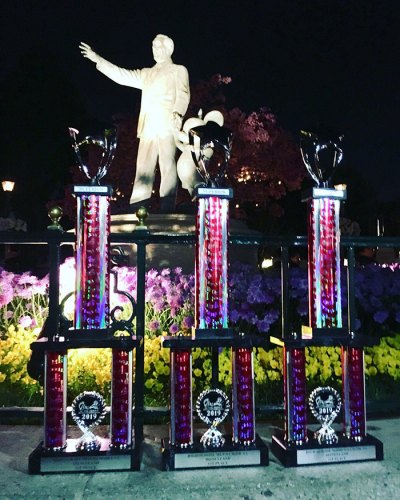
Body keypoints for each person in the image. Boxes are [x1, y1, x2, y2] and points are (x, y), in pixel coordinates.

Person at [79, 35, 190, 212]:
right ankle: (138, 206)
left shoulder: (178, 70)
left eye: (159, 46)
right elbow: (122, 75)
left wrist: (177, 113)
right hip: (148, 126)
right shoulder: (146, 73)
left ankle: (167, 206)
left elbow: (183, 95)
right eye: (153, 46)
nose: (155, 49)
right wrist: (97, 59)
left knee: (167, 165)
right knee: (143, 167)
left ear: (169, 49)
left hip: (167, 124)